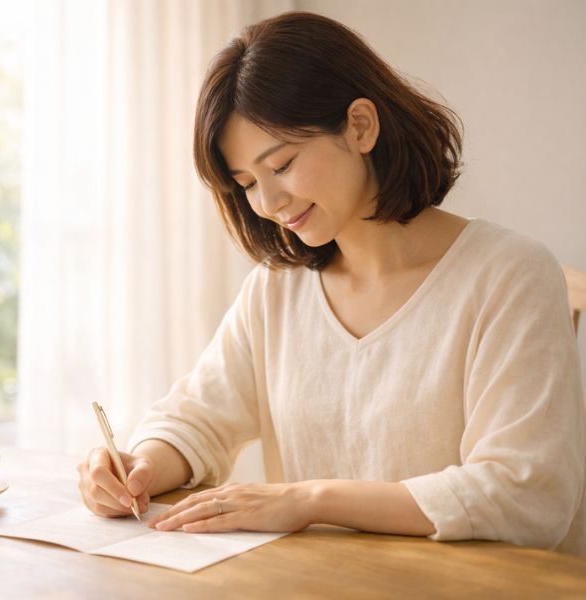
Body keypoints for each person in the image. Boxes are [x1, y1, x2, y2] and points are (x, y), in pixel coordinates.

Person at [76, 11, 585, 554]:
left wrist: (310, 500)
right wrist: (140, 468)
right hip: (321, 583)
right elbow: (196, 419)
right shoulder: (277, 290)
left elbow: (526, 493)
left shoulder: (509, 276)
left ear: (360, 127)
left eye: (282, 165)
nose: (268, 203)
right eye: (247, 183)